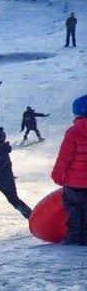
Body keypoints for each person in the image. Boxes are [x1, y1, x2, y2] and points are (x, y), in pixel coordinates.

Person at [51, 95, 87, 244]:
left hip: (73, 184)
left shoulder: (72, 132)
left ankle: (73, 240)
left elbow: (64, 157)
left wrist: (57, 176)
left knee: (73, 211)